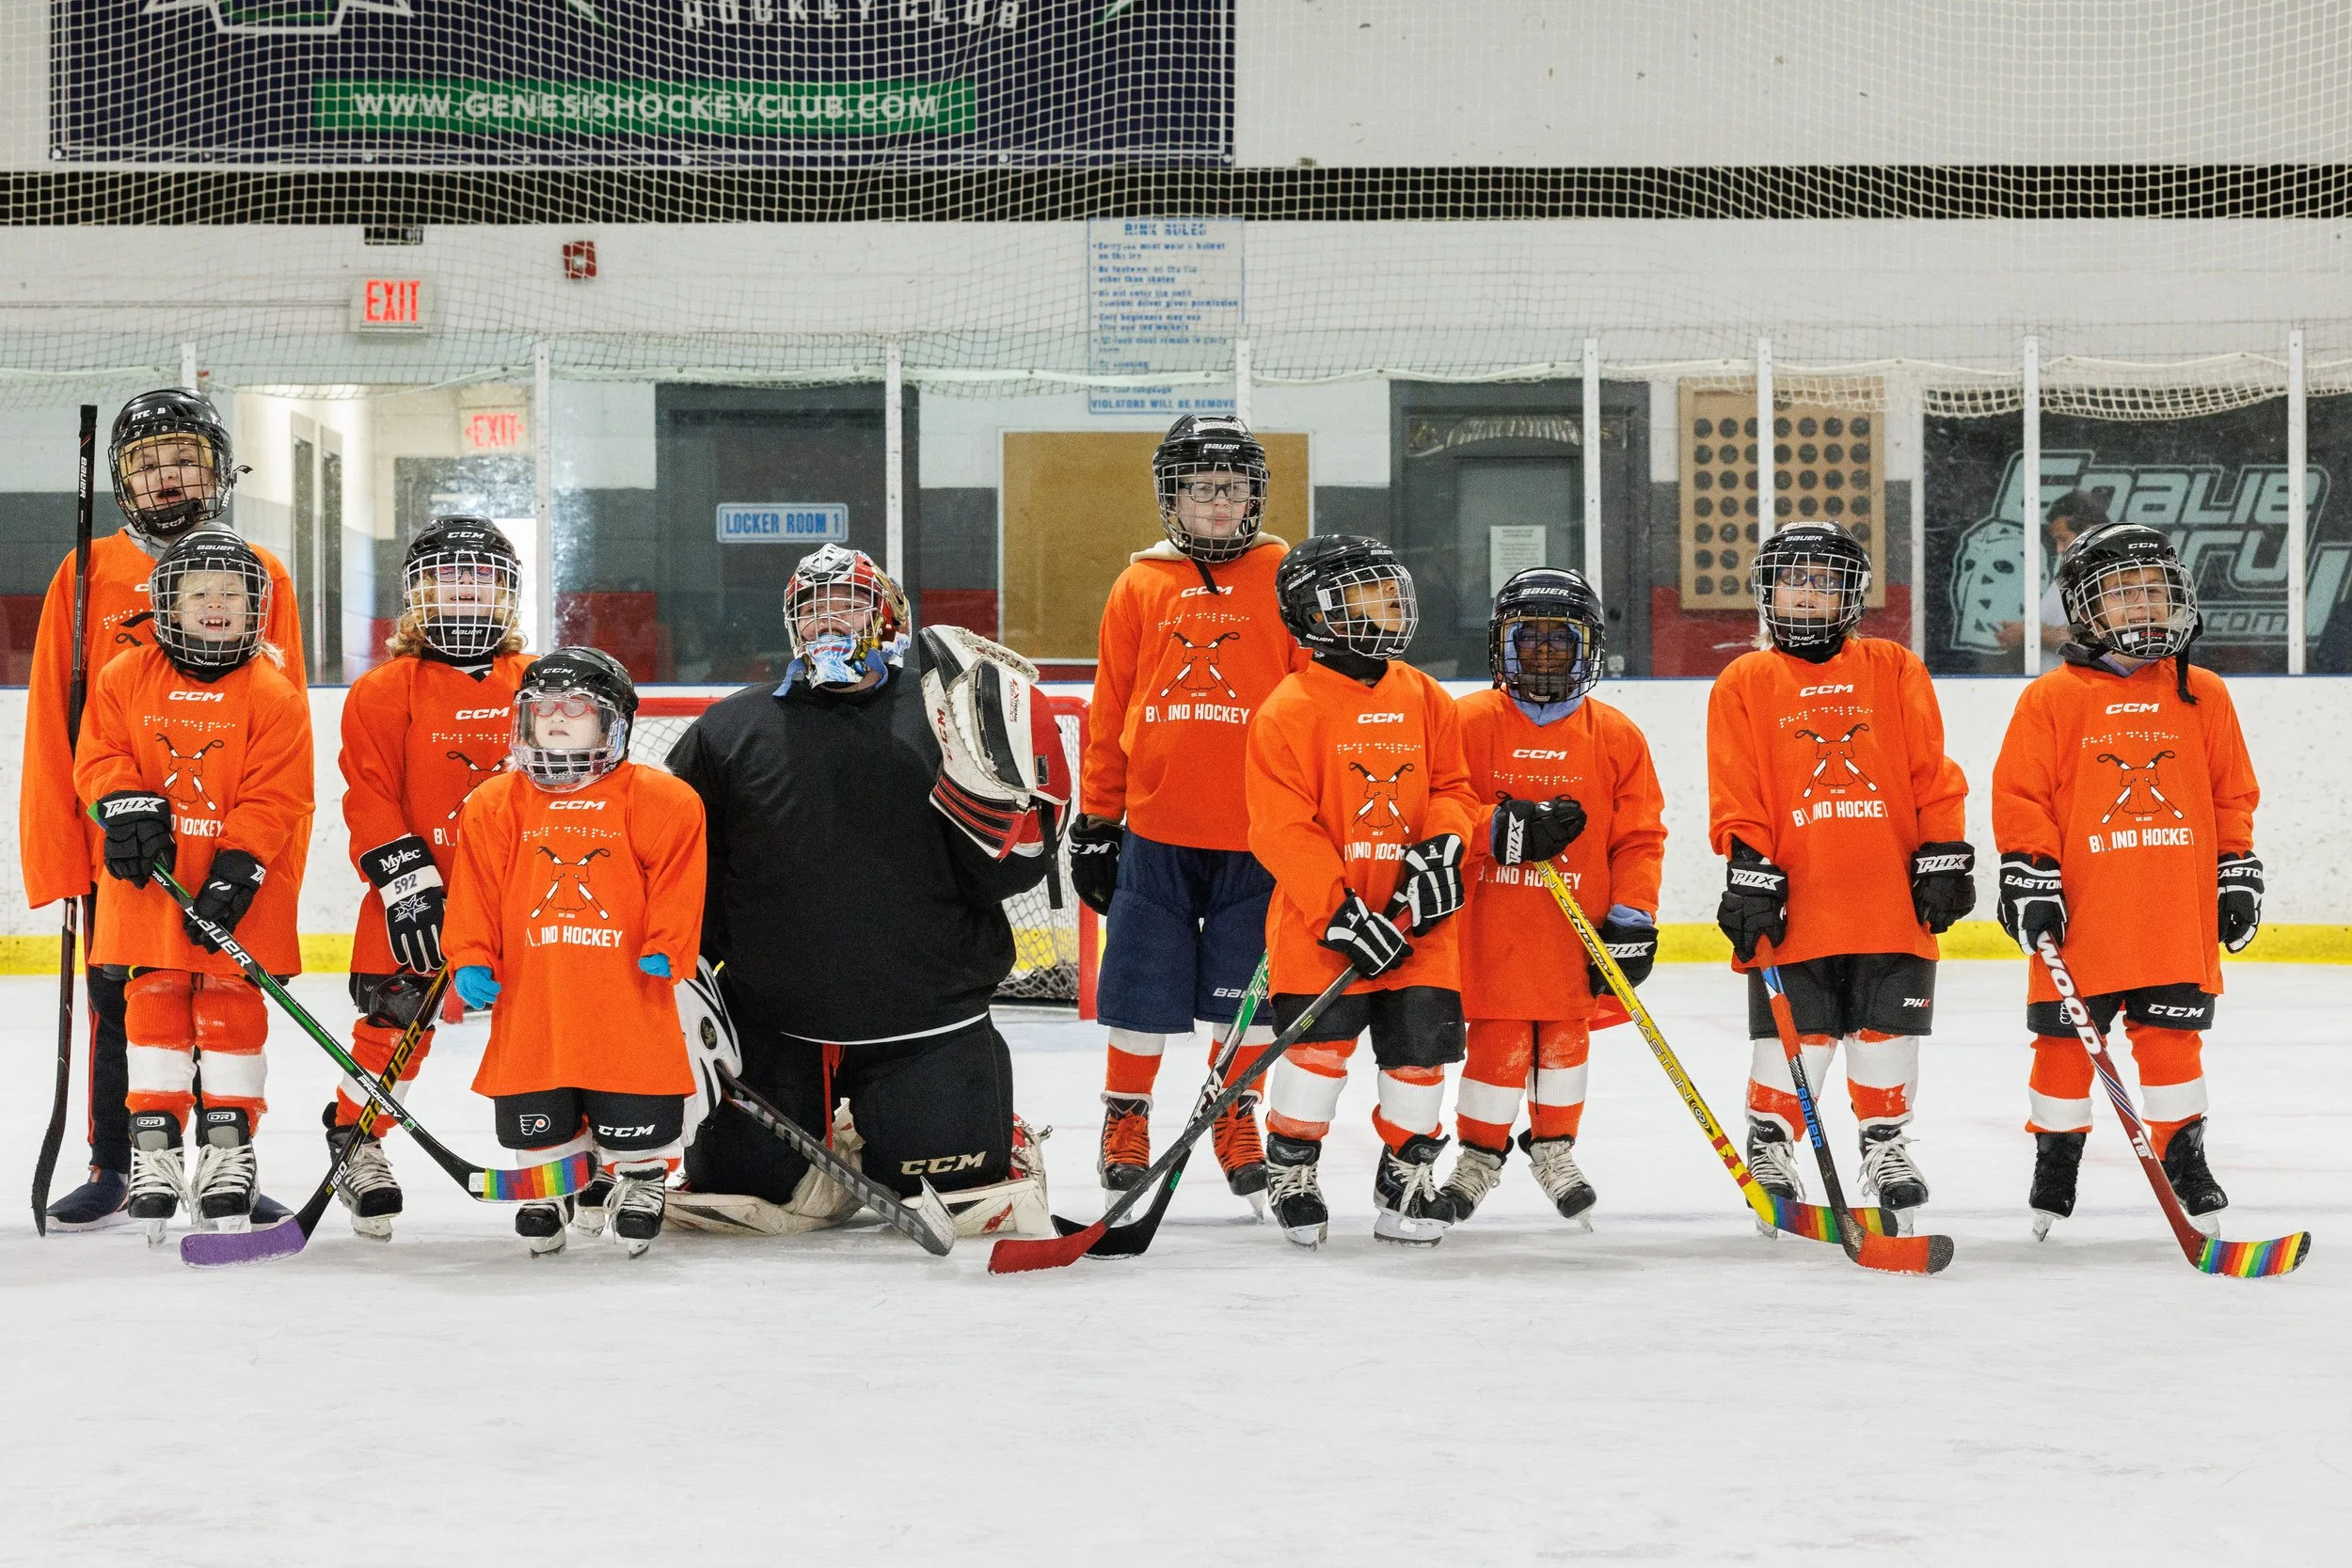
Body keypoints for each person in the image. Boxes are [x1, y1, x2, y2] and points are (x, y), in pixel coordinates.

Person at [663, 546, 1057, 1240]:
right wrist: (682, 980)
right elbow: (675, 867)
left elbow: (1005, 875)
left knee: (959, 1193)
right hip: (773, 1021)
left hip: (927, 1019)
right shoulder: (727, 731)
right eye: (810, 611)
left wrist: (1023, 821)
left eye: (844, 603)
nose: (826, 623)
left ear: (889, 616)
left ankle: (968, 1124)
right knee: (741, 1191)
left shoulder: (949, 719)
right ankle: (817, 1134)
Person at [22, 389, 307, 1230]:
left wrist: (266, 859)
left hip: (225, 836)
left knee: (223, 1000)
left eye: (183, 458)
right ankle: (119, 1162)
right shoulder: (86, 573)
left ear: (217, 471)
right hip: (128, 843)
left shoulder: (260, 572)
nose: (167, 477)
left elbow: (281, 725)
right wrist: (72, 845)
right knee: (125, 1002)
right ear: (122, 480)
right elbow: (55, 723)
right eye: (148, 465)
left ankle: (230, 1162)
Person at [1992, 522, 2260, 1237]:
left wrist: (2236, 870)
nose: (2143, 606)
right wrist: (2030, 872)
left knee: (2175, 1043)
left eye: (2154, 591)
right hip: (2084, 913)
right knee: (2062, 1044)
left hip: (2174, 911)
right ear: (2086, 607)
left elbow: (2233, 794)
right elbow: (2022, 797)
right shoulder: (2053, 698)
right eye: (2123, 593)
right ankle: (2057, 1160)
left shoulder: (2202, 694)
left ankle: (2186, 1157)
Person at [1707, 521, 1973, 1234]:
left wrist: (1944, 852)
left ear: (1852, 595)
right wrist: (1749, 868)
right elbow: (1738, 791)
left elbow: (1932, 773)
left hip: (1889, 895)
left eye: (1825, 580)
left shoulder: (1893, 667)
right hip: (1798, 898)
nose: (1807, 592)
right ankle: (1771, 1144)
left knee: (1886, 1029)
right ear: (1767, 591)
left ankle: (1885, 1145)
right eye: (1794, 578)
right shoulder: (1746, 680)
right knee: (1801, 1034)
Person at [1073, 414, 1301, 1212]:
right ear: (1173, 495)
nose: (1215, 505)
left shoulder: (1284, 576)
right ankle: (1126, 1119)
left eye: (1230, 489)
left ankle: (1236, 1111)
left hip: (1258, 835)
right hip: (1156, 829)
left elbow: (1313, 706)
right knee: (1138, 989)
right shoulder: (1140, 583)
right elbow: (1111, 707)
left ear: (1253, 496)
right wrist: (1097, 820)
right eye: (1200, 488)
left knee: (1248, 995)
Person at [72, 529, 313, 1242]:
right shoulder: (123, 676)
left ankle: (230, 1154)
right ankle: (155, 1151)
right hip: (152, 885)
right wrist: (123, 804)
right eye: (199, 593)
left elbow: (280, 792)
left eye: (233, 594)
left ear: (256, 607)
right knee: (152, 1006)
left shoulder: (273, 691)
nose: (217, 605)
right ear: (168, 605)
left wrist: (239, 866)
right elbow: (98, 757)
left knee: (232, 1008)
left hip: (242, 889)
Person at [1244, 533, 1481, 1248]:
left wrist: (1444, 844)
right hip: (1326, 928)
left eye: (1390, 590)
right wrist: (1340, 912)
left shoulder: (1425, 696)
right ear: (1315, 612)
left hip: (1420, 923)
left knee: (1420, 1056)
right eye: (1367, 593)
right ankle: (1292, 1164)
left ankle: (1406, 1174)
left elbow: (1454, 789)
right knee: (1317, 1056)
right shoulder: (1287, 710)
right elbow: (1281, 828)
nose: (1390, 604)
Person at [441, 647, 706, 1257]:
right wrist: (470, 956)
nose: (557, 717)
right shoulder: (494, 804)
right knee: (537, 1086)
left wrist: (668, 942)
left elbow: (678, 880)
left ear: (612, 721)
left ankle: (639, 1178)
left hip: (626, 989)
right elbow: (475, 892)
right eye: (544, 708)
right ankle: (549, 1185)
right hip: (535, 993)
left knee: (633, 1079)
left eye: (576, 707)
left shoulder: (660, 800)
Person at [1432, 567, 1665, 1228]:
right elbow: (1436, 812)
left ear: (1585, 648)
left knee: (1566, 1039)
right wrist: (1495, 829)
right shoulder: (1467, 722)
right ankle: (1478, 1157)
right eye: (1525, 637)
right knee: (1498, 1040)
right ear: (1500, 644)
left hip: (1576, 932)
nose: (1539, 651)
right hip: (1492, 926)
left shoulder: (1615, 735)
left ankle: (1555, 1148)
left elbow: (1640, 838)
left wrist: (1632, 917)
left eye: (1557, 640)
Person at [326, 516, 532, 1238]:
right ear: (417, 592)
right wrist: (409, 884)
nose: (466, 591)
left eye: (482, 577)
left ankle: (568, 1148)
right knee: (395, 1015)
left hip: (522, 896)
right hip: (417, 892)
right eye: (450, 576)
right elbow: (370, 794)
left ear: (508, 593)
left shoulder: (538, 681)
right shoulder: (385, 689)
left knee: (552, 1019)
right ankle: (358, 1139)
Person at [1996, 488, 2108, 656]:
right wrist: (2024, 632)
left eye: (2063, 539)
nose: (2059, 549)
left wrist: (2030, 634)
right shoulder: (2071, 573)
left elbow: (2102, 640)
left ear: (2088, 532)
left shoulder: (2113, 577)